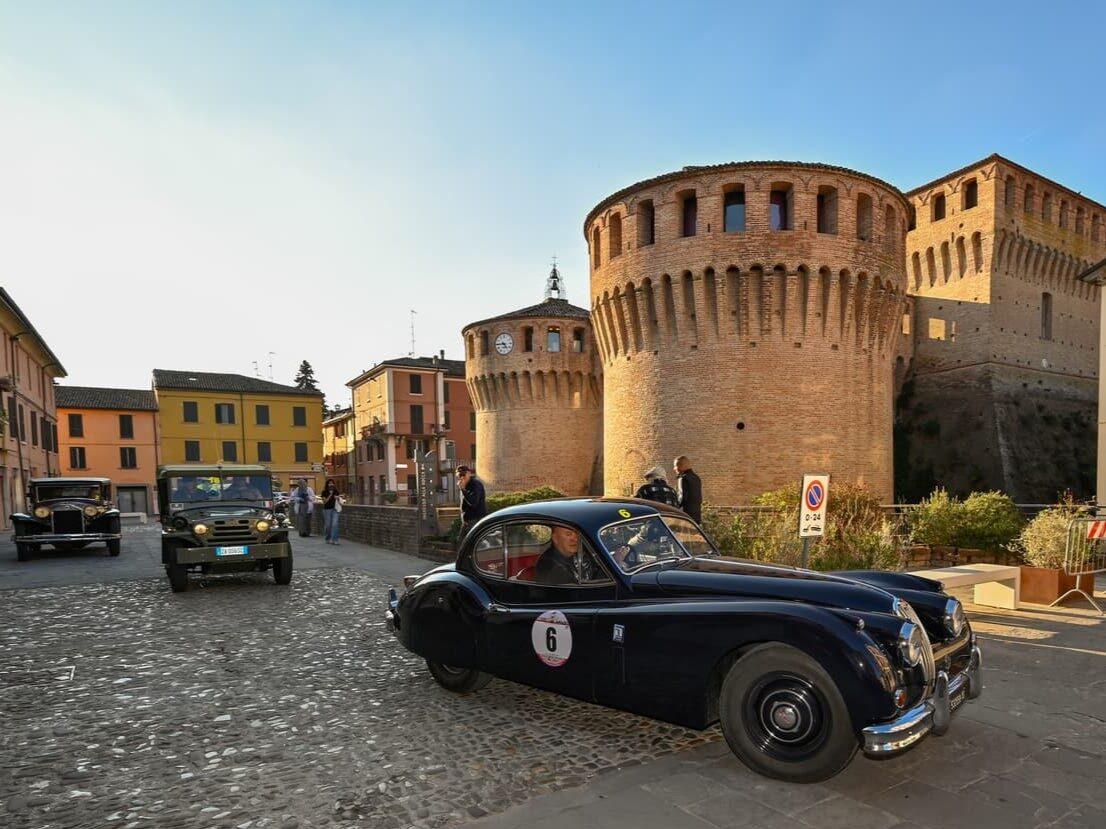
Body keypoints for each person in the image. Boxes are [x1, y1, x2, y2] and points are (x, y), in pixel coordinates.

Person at [456, 466, 486, 542]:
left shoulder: (475, 485)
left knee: (471, 543)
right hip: (467, 521)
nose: (462, 477)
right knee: (461, 543)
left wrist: (463, 490)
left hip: (475, 520)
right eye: (459, 475)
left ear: (469, 473)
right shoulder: (464, 484)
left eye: (463, 474)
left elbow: (473, 503)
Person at [674, 456, 703, 523]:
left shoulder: (683, 478)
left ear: (682, 466)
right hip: (697, 516)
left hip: (685, 516)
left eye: (676, 466)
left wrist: (674, 508)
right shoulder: (697, 478)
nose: (674, 469)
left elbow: (682, 498)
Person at [321, 479, 342, 545]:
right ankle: (328, 538)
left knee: (335, 524)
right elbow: (324, 502)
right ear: (327, 484)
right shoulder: (324, 492)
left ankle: (335, 539)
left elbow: (340, 502)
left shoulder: (336, 491)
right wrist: (330, 495)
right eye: (329, 483)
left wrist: (338, 498)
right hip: (327, 510)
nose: (331, 484)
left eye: (332, 483)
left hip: (335, 509)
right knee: (328, 525)